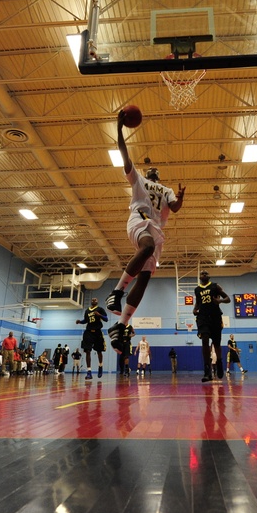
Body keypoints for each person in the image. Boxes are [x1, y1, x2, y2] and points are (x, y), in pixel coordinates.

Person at [105, 109, 185, 348]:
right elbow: (124, 155)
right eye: (150, 171)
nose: (153, 172)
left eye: (155, 172)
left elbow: (175, 207)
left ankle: (120, 325)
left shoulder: (167, 190)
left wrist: (180, 199)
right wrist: (119, 130)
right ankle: (116, 292)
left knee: (145, 278)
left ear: (159, 177)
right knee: (147, 246)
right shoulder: (139, 179)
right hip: (139, 218)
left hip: (156, 230)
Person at [193, 270, 230, 382]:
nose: (204, 275)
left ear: (209, 276)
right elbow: (198, 302)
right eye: (202, 273)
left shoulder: (215, 286)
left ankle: (219, 362)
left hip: (215, 316)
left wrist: (220, 301)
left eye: (206, 273)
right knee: (204, 340)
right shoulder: (197, 290)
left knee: (216, 343)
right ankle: (207, 371)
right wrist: (195, 309)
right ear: (200, 277)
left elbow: (228, 298)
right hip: (203, 317)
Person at [76, 298, 107, 380]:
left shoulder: (100, 309)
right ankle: (89, 372)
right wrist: (80, 322)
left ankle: (100, 366)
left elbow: (106, 319)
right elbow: (86, 321)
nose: (93, 300)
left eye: (95, 300)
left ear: (97, 302)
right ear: (91, 302)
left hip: (97, 332)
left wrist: (99, 315)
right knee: (87, 351)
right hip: (88, 332)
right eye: (92, 300)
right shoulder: (87, 311)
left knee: (99, 351)